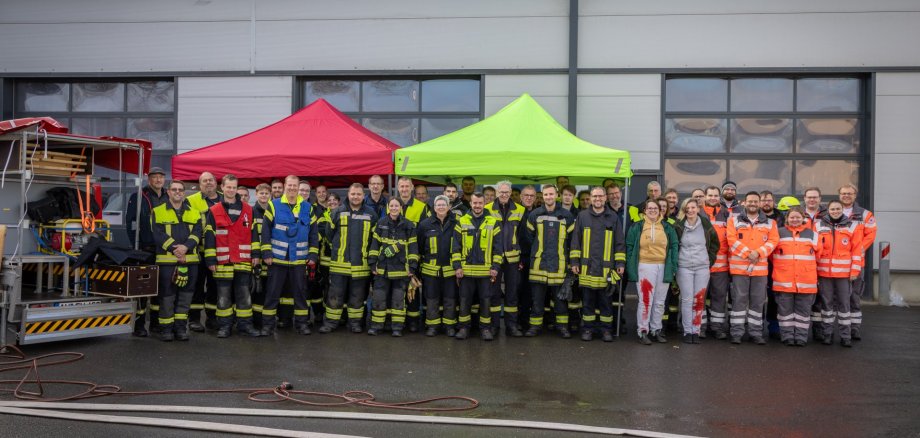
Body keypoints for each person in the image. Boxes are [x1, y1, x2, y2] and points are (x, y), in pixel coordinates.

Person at [260, 175, 319, 336]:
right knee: (272, 294)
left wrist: (313, 255)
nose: (292, 188)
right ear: (285, 186)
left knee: (300, 294)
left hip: (299, 260)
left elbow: (314, 234)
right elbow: (265, 231)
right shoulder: (274, 205)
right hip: (277, 260)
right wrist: (266, 252)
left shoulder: (308, 207)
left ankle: (301, 324)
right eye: (290, 186)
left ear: (298, 188)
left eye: (295, 186)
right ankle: (267, 326)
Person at [203, 174, 261, 338]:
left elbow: (254, 234)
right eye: (228, 187)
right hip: (223, 262)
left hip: (243, 261)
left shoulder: (249, 210)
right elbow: (209, 237)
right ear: (222, 187)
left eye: (234, 187)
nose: (231, 190)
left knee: (244, 296)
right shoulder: (214, 211)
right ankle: (224, 327)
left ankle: (245, 326)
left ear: (237, 188)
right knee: (223, 298)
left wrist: (256, 254)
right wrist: (210, 259)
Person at [569, 186, 625, 342]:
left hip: (606, 269)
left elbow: (619, 242)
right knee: (587, 302)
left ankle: (606, 330)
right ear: (591, 198)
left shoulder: (613, 217)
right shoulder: (582, 216)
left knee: (606, 302)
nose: (597, 199)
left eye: (600, 196)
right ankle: (588, 329)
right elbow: (576, 241)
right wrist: (574, 261)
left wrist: (620, 262)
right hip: (586, 268)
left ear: (605, 198)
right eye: (594, 196)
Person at [320, 183, 378, 334]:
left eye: (359, 194)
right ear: (348, 194)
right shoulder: (337, 212)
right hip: (339, 264)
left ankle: (355, 324)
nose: (356, 197)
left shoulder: (371, 214)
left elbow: (374, 239)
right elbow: (329, 235)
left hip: (361, 265)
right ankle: (331, 323)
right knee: (334, 297)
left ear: (363, 195)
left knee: (357, 297)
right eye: (353, 194)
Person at [151, 180, 202, 342]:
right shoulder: (157, 211)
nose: (178, 192)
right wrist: (175, 249)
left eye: (181, 190)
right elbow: (157, 234)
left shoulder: (194, 212)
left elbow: (197, 232)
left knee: (185, 296)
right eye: (174, 189)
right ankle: (166, 329)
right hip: (167, 262)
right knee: (167, 296)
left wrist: (186, 247)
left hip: (190, 261)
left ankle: (180, 328)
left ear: (184, 192)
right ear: (168, 192)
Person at [726, 191, 779, 345]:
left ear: (760, 203)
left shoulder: (770, 223)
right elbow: (731, 239)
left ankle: (756, 333)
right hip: (739, 269)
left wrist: (758, 253)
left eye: (756, 201)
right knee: (739, 301)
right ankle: (736, 332)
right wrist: (749, 254)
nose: (753, 204)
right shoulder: (733, 220)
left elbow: (773, 241)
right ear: (744, 202)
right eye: (750, 201)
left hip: (760, 270)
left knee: (758, 302)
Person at [524, 185, 576, 338]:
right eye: (546, 194)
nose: (548, 197)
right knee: (537, 300)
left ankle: (562, 327)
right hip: (539, 265)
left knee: (560, 300)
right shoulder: (534, 215)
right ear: (543, 196)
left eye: (551, 194)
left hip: (559, 265)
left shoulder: (567, 216)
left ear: (557, 195)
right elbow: (528, 239)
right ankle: (535, 327)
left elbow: (572, 242)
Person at [626, 200, 678, 345]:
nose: (653, 210)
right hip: (644, 266)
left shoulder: (667, 227)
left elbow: (674, 246)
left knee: (660, 302)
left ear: (660, 210)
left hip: (663, 267)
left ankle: (656, 329)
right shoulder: (637, 226)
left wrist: (673, 266)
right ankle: (643, 331)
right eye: (650, 208)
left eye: (656, 208)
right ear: (644, 210)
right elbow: (629, 246)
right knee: (646, 301)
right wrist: (631, 265)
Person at [125, 166, 168, 337]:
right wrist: (136, 246)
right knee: (142, 289)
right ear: (149, 179)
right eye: (155, 177)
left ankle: (155, 323)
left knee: (160, 289)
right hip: (146, 249)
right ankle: (139, 325)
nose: (158, 180)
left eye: (161, 177)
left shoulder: (168, 196)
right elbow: (131, 223)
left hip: (164, 250)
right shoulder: (139, 196)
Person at [367, 198, 419, 336]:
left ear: (401, 207)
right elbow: (374, 245)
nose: (394, 208)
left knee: (398, 300)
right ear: (388, 207)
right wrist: (372, 263)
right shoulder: (381, 223)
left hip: (401, 269)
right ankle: (376, 326)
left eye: (397, 205)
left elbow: (413, 248)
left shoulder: (409, 225)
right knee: (378, 298)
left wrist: (412, 267)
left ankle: (397, 328)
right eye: (392, 206)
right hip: (382, 268)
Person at [814, 200, 862, 348]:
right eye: (832, 209)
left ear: (842, 210)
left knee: (844, 305)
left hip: (843, 274)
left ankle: (845, 336)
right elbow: (814, 250)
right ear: (827, 210)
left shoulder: (853, 226)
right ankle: (827, 334)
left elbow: (857, 251)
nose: (835, 211)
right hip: (824, 273)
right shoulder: (818, 225)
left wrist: (854, 271)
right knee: (826, 304)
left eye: (838, 208)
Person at [455, 192, 502, 341]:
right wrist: (457, 267)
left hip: (486, 272)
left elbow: (498, 248)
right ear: (470, 203)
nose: (477, 206)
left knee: (485, 301)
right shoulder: (461, 221)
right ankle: (463, 328)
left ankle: (485, 329)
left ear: (484, 204)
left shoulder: (493, 222)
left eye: (480, 203)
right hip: (466, 271)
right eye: (474, 203)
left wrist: (495, 267)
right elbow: (455, 247)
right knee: (464, 301)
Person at [771, 206, 820, 347]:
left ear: (803, 218)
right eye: (792, 217)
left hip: (806, 281)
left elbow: (819, 254)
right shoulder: (778, 233)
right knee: (784, 312)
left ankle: (801, 337)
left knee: (803, 312)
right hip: (783, 280)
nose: (795, 219)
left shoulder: (812, 234)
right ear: (787, 218)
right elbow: (771, 255)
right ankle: (787, 336)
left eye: (798, 217)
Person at [673, 199, 719, 344]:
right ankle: (687, 331)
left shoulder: (706, 224)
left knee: (699, 299)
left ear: (698, 209)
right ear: (684, 210)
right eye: (688, 208)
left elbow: (715, 244)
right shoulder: (679, 226)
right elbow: (674, 246)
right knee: (687, 300)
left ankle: (696, 331)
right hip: (684, 267)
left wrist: (709, 260)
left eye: (693, 207)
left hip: (702, 268)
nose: (691, 210)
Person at [484, 181, 526, 337]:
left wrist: (522, 258)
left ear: (510, 193)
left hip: (513, 259)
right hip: (494, 258)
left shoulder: (520, 210)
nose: (504, 195)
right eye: (501, 192)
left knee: (512, 293)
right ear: (496, 192)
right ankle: (494, 326)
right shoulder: (487, 209)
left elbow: (523, 237)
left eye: (507, 192)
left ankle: (511, 326)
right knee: (493, 293)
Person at [417, 195, 461, 337]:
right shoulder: (424, 225)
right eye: (438, 205)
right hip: (430, 270)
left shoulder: (457, 223)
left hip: (450, 270)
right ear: (434, 207)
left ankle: (449, 326)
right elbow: (419, 246)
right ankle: (432, 326)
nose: (441, 207)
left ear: (449, 207)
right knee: (432, 299)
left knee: (450, 299)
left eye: (444, 205)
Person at [838, 183, 876, 340]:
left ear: (855, 195)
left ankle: (854, 329)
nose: (846, 195)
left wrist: (859, 249)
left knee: (854, 297)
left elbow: (871, 234)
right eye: (843, 193)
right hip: (835, 265)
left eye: (850, 193)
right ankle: (831, 330)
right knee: (833, 299)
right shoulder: (831, 212)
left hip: (856, 263)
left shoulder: (865, 214)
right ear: (839, 195)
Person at [395, 176, 432, 331]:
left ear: (412, 188)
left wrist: (419, 255)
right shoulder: (393, 205)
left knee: (413, 289)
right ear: (398, 188)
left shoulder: (422, 207)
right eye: (401, 187)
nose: (404, 189)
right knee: (398, 289)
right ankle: (398, 320)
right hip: (396, 256)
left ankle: (413, 321)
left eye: (406, 186)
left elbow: (426, 233)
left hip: (413, 256)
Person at [186, 171, 221, 332]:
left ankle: (212, 318)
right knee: (197, 285)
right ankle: (194, 319)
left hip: (218, 252)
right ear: (200, 185)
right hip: (198, 251)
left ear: (216, 183)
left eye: (211, 180)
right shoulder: (191, 200)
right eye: (204, 181)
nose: (208, 183)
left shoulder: (224, 199)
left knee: (215, 286)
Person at [702, 185, 733, 340]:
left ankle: (717, 327)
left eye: (715, 195)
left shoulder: (727, 215)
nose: (713, 198)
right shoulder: (698, 213)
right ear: (705, 196)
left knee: (719, 297)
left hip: (721, 266)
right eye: (710, 195)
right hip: (701, 265)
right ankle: (699, 327)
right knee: (699, 297)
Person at [250, 183, 272, 329]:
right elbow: (251, 237)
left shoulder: (274, 210)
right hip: (257, 258)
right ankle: (257, 321)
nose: (264, 196)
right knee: (258, 290)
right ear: (256, 194)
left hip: (271, 257)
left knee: (270, 289)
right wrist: (256, 255)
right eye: (261, 193)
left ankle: (268, 320)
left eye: (266, 193)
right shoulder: (251, 212)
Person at [517, 185, 538, 329]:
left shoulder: (539, 214)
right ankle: (519, 321)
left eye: (531, 196)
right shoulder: (516, 213)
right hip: (520, 258)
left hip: (536, 258)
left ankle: (530, 320)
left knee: (532, 291)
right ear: (521, 197)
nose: (529, 198)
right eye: (526, 195)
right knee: (519, 289)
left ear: (535, 198)